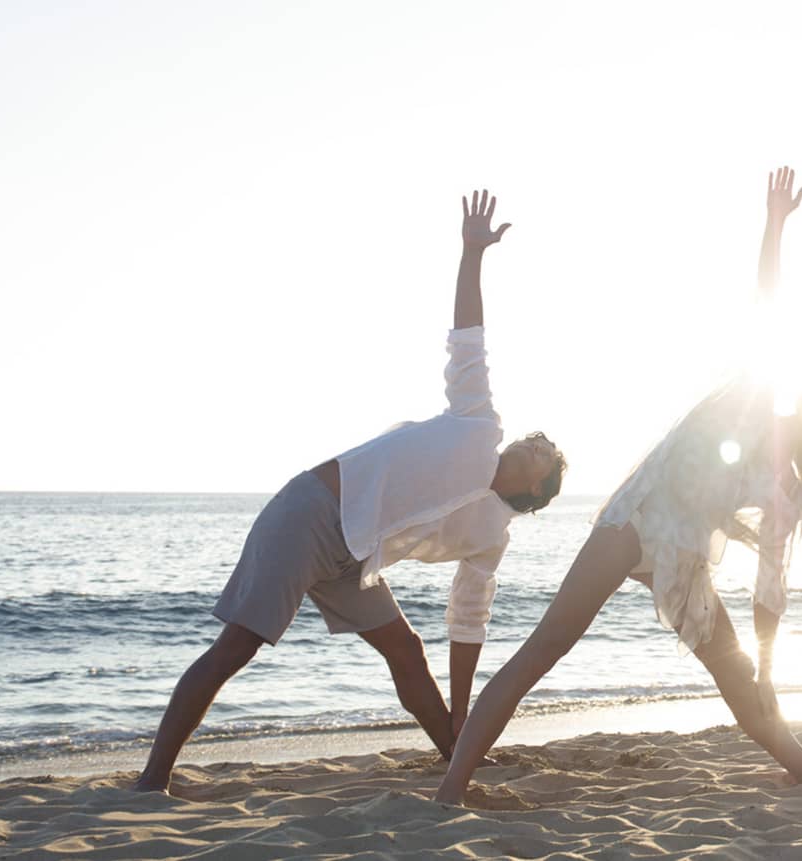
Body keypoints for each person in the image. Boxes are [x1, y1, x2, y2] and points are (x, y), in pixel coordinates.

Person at [433, 167, 802, 805]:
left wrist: (772, 671)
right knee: (543, 649)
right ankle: (451, 790)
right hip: (632, 526)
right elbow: (765, 305)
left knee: (741, 680)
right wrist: (774, 227)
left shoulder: (791, 494)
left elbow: (769, 590)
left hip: (684, 559)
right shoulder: (754, 393)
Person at [133, 190, 566, 793]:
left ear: (537, 488)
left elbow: (468, 622)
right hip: (311, 514)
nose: (530, 445)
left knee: (407, 651)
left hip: (352, 555)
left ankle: (455, 751)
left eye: (542, 454)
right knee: (237, 648)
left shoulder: (492, 536)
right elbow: (468, 338)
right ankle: (153, 777)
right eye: (535, 442)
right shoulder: (478, 423)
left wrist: (466, 717)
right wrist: (473, 256)